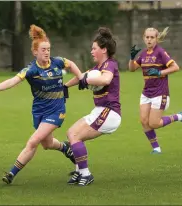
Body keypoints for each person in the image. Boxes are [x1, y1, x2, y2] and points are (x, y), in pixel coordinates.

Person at [0, 24, 83, 184]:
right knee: (47, 144)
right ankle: (65, 148)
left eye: (48, 49)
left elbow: (72, 64)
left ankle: (11, 173)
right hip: (39, 111)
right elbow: (13, 81)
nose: (47, 52)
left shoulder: (58, 62)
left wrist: (80, 78)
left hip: (56, 110)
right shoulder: (31, 70)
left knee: (33, 141)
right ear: (35, 52)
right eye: (43, 50)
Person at [64, 27, 121, 186]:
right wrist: (65, 86)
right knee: (71, 133)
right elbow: (81, 77)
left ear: (104, 50)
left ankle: (86, 174)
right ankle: (78, 171)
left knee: (76, 136)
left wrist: (86, 80)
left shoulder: (110, 65)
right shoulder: (96, 69)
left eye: (94, 48)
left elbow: (105, 80)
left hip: (110, 112)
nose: (91, 51)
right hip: (99, 111)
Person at [128, 27, 182, 154]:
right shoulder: (144, 54)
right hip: (146, 92)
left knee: (154, 123)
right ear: (144, 38)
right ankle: (156, 148)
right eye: (147, 37)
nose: (149, 40)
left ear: (156, 39)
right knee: (144, 121)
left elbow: (175, 67)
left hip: (160, 93)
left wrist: (159, 72)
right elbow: (132, 69)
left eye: (152, 37)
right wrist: (131, 58)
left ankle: (180, 116)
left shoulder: (160, 52)